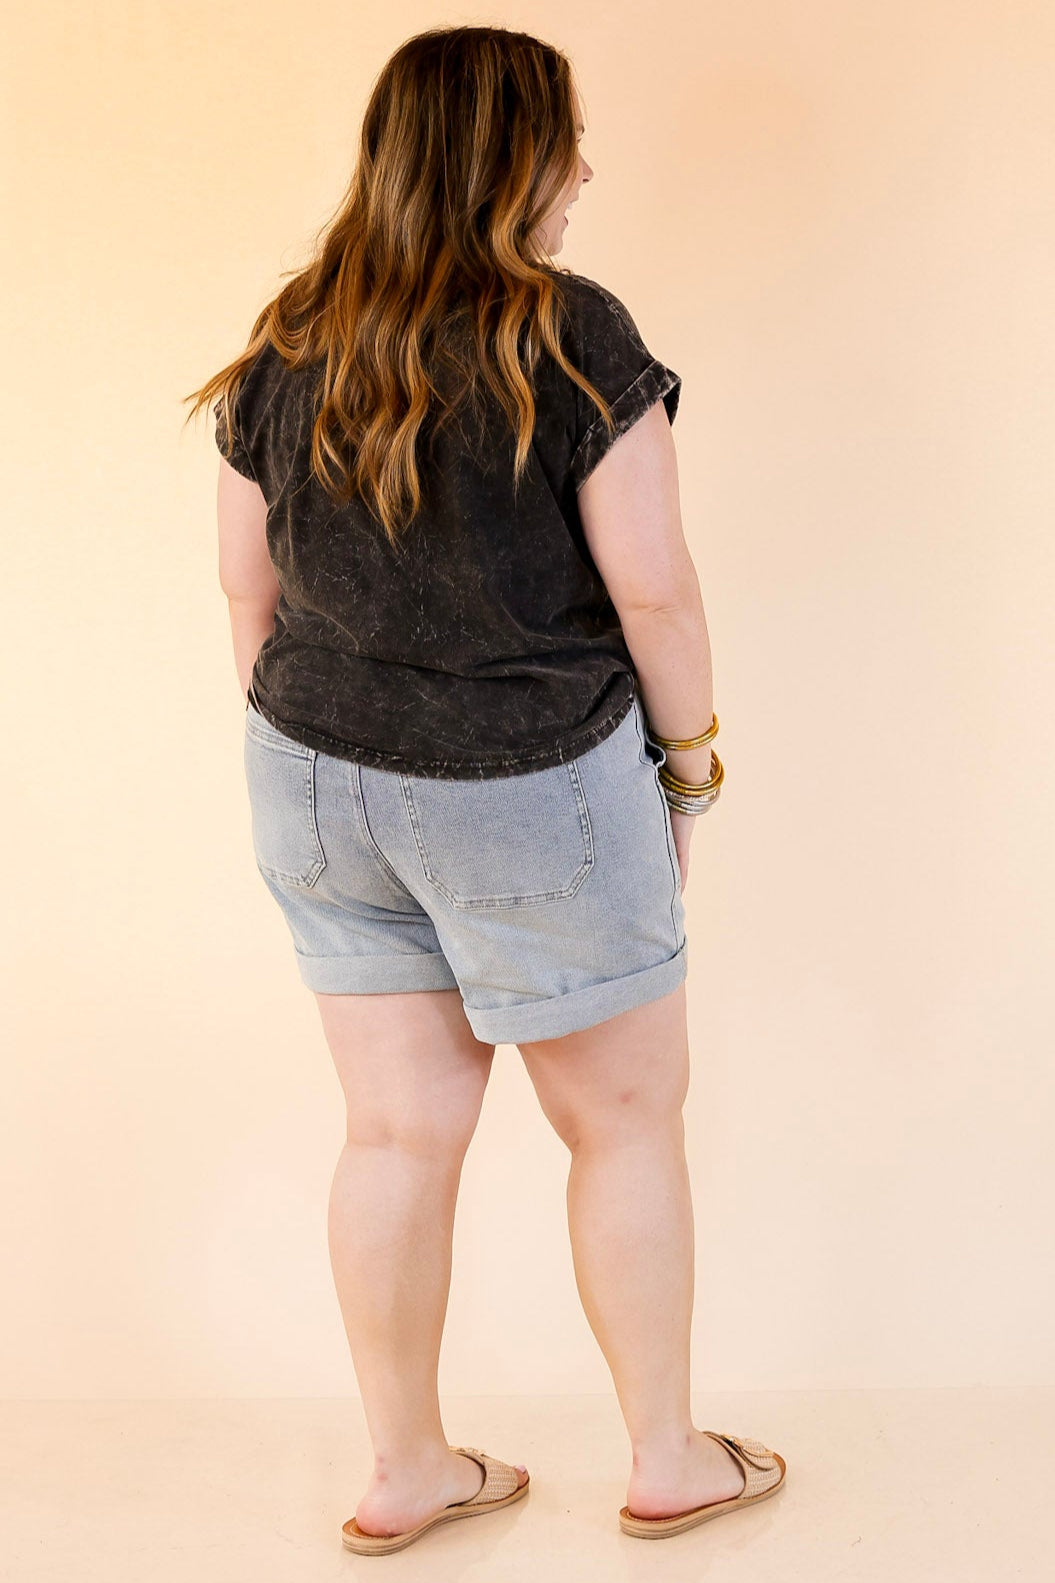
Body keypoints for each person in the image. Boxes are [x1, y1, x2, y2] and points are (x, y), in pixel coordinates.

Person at [186, 22, 784, 1557]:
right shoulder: (568, 335)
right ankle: (668, 1460)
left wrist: (323, 746)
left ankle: (407, 1472)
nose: (584, 169)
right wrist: (691, 772)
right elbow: (655, 593)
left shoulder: (291, 336)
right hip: (528, 783)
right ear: (510, 157)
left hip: (312, 779)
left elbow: (246, 597)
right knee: (625, 1125)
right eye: (563, 140)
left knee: (392, 1137)